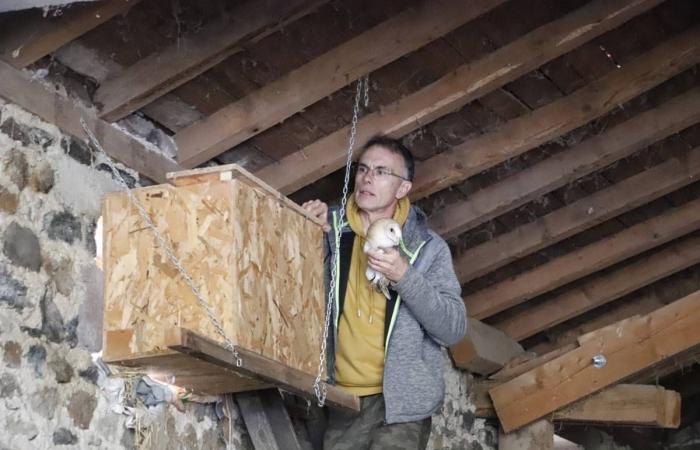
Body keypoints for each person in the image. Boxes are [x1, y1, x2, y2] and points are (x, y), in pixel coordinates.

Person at [302, 136, 467, 450]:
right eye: (363, 169)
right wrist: (304, 230)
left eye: (380, 171)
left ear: (403, 188)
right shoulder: (328, 230)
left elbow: (453, 329)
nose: (367, 178)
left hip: (402, 406)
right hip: (342, 400)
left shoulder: (428, 249)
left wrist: (404, 275)